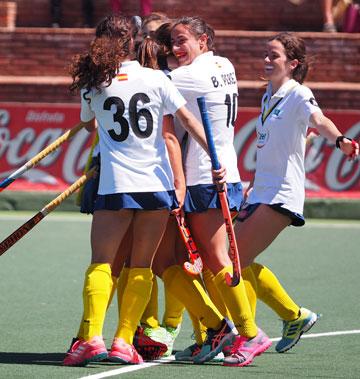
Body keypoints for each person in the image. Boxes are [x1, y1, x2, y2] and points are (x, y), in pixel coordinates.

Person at [62, 14, 237, 367]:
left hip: (116, 188)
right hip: (156, 189)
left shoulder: (93, 84)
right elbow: (186, 120)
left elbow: (86, 124)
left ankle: (91, 337)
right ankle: (123, 341)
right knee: (141, 265)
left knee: (102, 264)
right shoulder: (157, 78)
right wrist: (215, 158)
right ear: (132, 43)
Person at [220, 31, 359, 358]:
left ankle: (248, 336)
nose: (266, 61)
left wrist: (340, 141)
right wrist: (253, 184)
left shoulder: (299, 94)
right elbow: (270, 147)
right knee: (239, 259)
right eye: (266, 55)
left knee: (234, 260)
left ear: (293, 63)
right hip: (262, 190)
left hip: (282, 194)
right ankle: (294, 317)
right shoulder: (269, 95)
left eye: (274, 56)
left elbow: (319, 120)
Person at [168, 16, 272, 367]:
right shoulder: (223, 64)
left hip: (205, 174)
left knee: (217, 260)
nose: (176, 48)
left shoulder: (186, 75)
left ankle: (250, 332)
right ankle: (231, 332)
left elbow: (151, 84)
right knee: (215, 260)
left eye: (182, 40)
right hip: (225, 169)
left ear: (204, 40)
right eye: (171, 42)